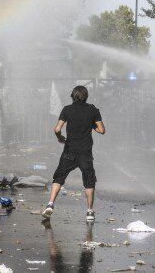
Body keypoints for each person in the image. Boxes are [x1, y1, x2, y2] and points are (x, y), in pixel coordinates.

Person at [42, 86, 105, 222]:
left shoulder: (67, 110)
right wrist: (91, 125)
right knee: (89, 182)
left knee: (59, 177)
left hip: (69, 150)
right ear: (86, 96)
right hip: (85, 153)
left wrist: (60, 138)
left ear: (73, 96)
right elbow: (101, 130)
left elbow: (57, 128)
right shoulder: (93, 110)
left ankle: (50, 204)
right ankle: (89, 212)